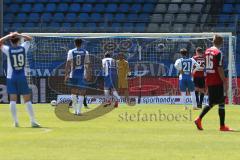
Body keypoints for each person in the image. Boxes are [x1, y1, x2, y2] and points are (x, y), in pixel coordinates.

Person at [0, 32, 40, 127]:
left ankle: (16, 122)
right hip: (22, 76)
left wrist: (9, 36)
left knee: (12, 100)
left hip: (11, 77)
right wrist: (20, 35)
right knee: (27, 99)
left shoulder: (8, 49)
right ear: (18, 40)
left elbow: (0, 42)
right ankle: (33, 121)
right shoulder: (23, 48)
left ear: (10, 41)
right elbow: (30, 38)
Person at [194, 35, 233, 131]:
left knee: (217, 101)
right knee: (219, 101)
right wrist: (224, 80)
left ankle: (220, 125)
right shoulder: (218, 52)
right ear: (222, 43)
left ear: (213, 41)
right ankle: (220, 125)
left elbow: (206, 66)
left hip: (209, 79)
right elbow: (219, 68)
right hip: (217, 80)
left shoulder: (207, 51)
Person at [64, 38, 91, 115]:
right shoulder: (85, 52)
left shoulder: (71, 51)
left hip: (73, 74)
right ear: (82, 43)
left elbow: (68, 64)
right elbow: (87, 64)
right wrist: (88, 74)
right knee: (82, 93)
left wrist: (66, 75)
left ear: (75, 43)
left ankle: (75, 110)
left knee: (73, 93)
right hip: (82, 75)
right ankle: (79, 111)